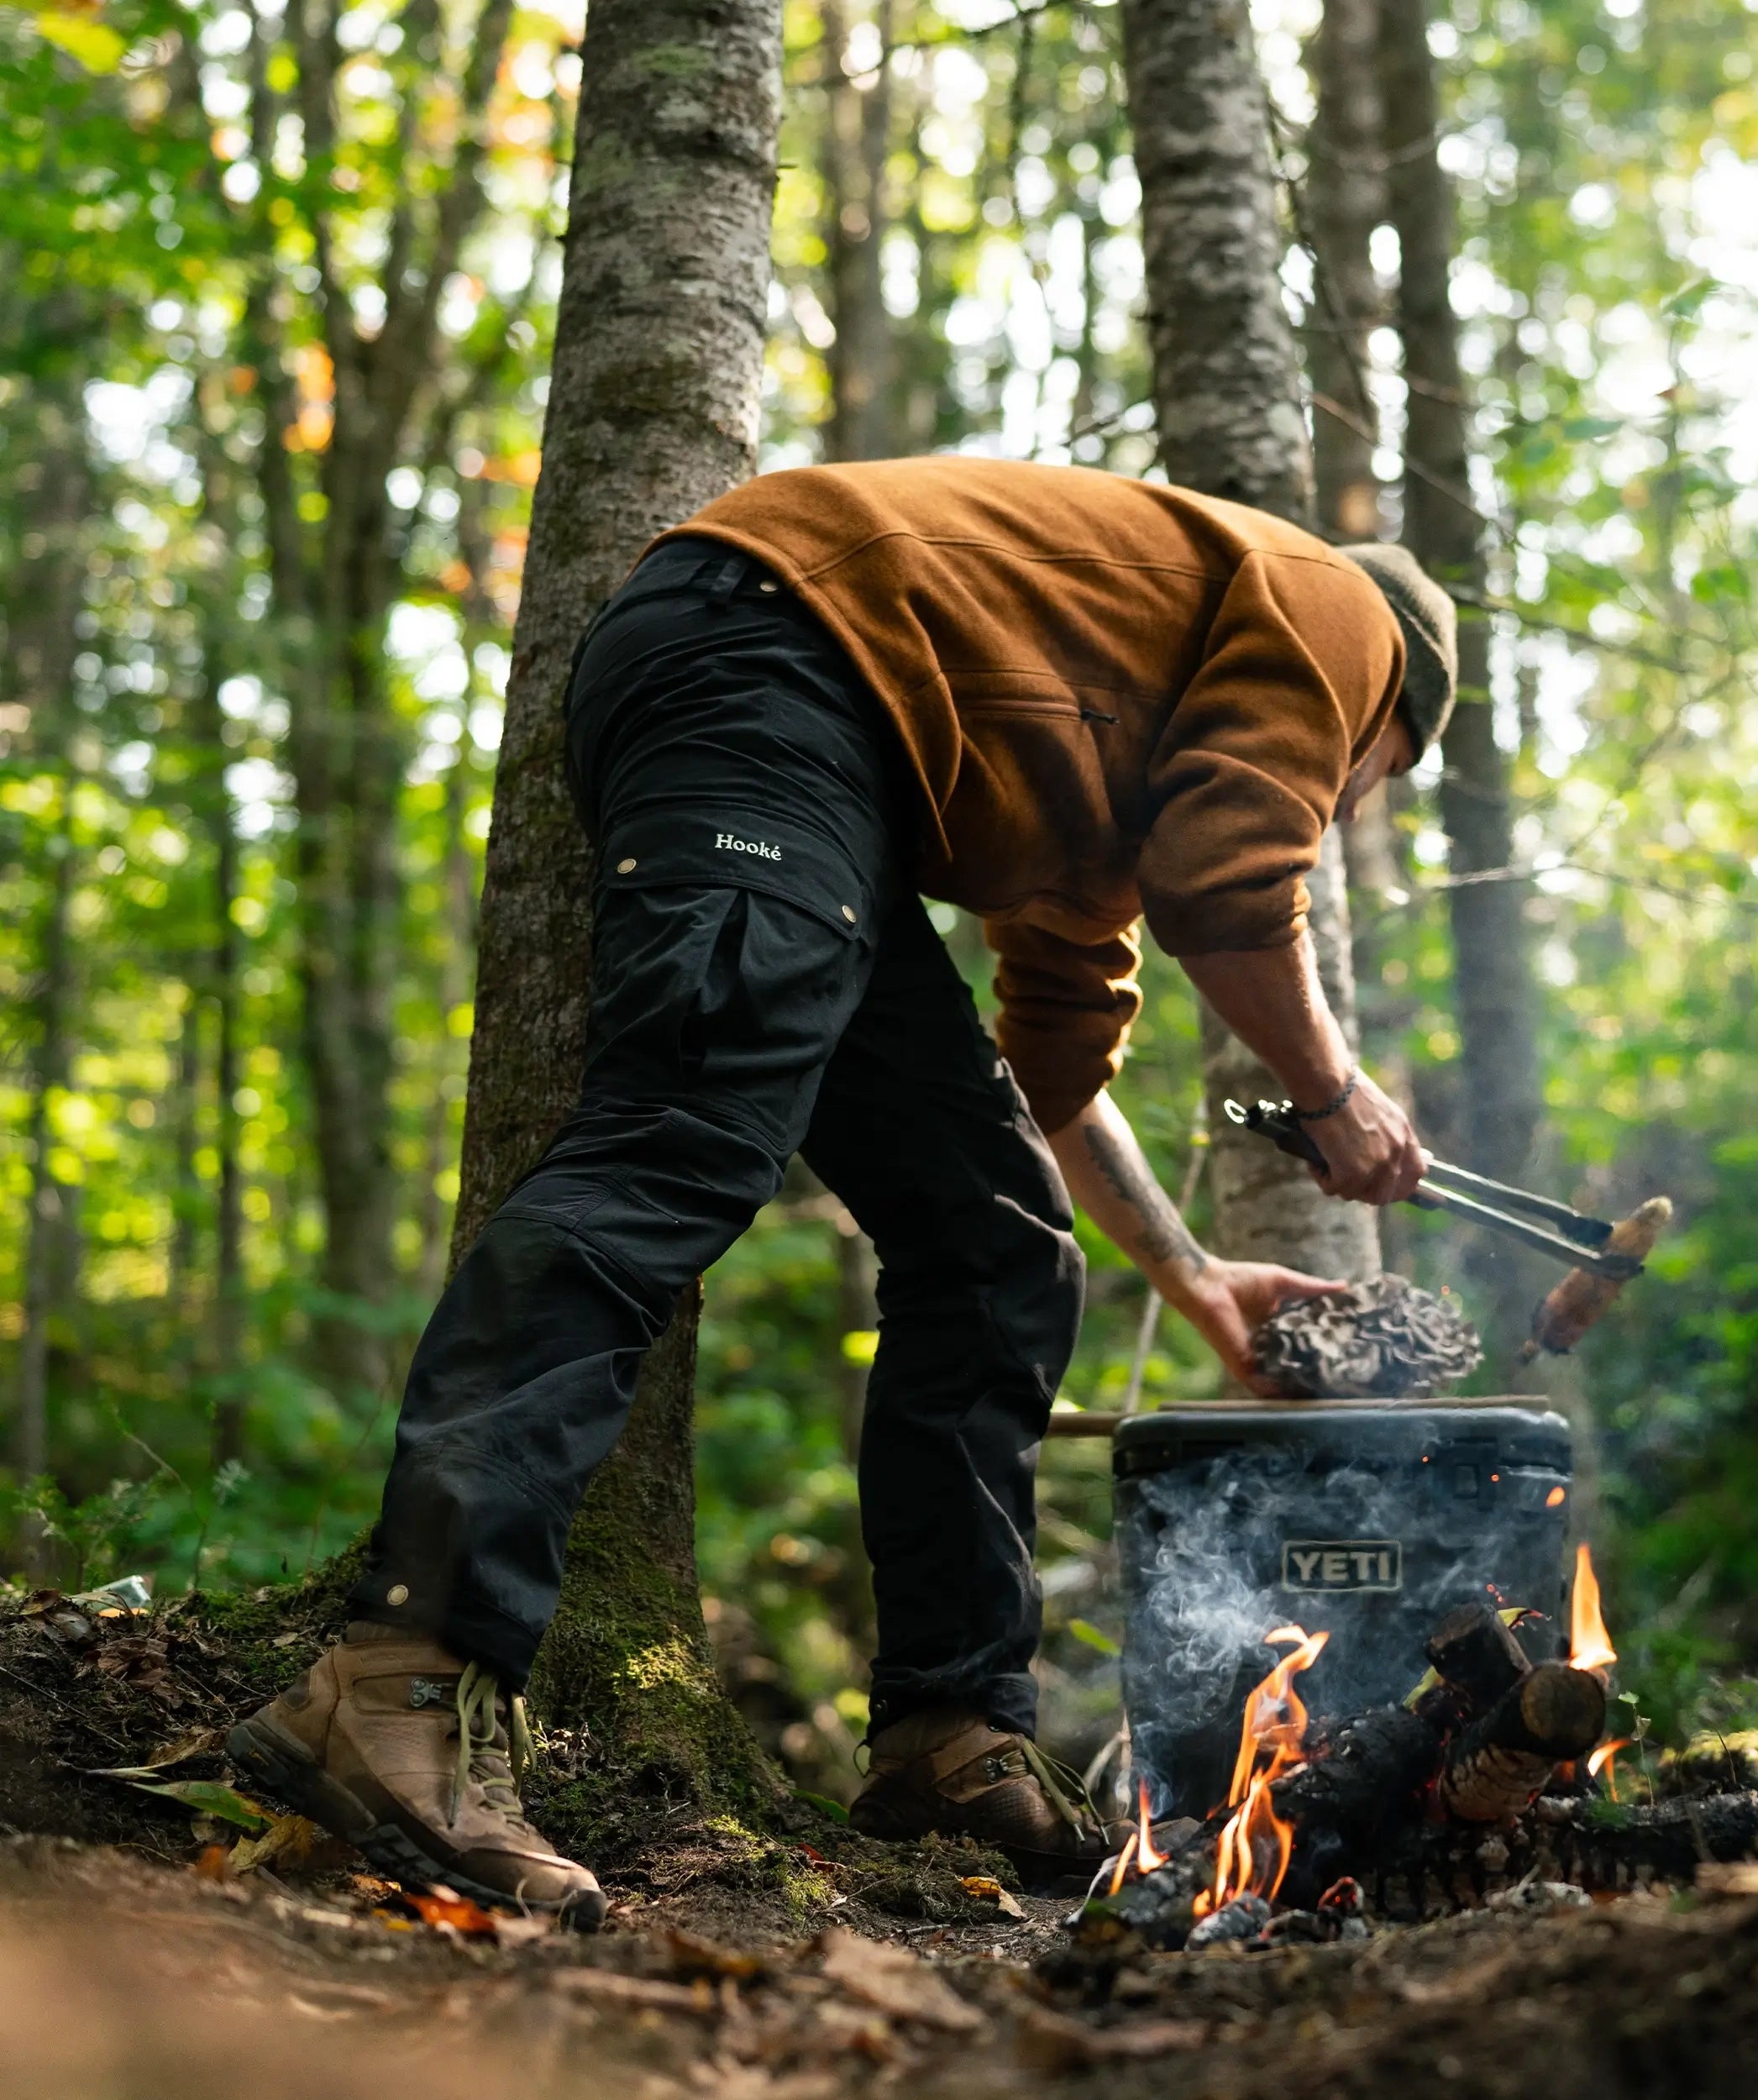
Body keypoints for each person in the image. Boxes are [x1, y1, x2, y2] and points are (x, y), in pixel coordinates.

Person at [228, 458, 1456, 1926]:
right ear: (1388, 725)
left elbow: (1049, 1071)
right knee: (678, 1141)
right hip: (769, 667)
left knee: (997, 1237)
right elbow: (1236, 878)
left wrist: (1192, 1277)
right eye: (1361, 785)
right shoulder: (1345, 612)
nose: (1338, 804)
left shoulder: (1106, 771)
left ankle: (948, 1737)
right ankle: (395, 1684)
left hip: (821, 752)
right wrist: (1334, 1092)